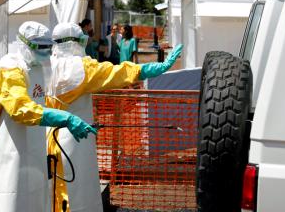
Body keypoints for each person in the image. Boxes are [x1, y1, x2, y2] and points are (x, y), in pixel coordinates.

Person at [47, 22, 183, 212]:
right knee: (78, 192)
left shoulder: (43, 65)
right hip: (75, 140)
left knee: (51, 192)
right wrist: (154, 68)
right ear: (77, 42)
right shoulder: (82, 68)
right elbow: (117, 73)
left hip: (45, 139)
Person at [0, 21, 97, 212]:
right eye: (40, 47)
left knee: (37, 200)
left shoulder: (39, 67)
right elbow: (20, 108)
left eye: (48, 47)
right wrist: (65, 118)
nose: (46, 52)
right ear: (23, 44)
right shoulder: (10, 68)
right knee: (12, 201)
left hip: (36, 149)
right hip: (11, 152)